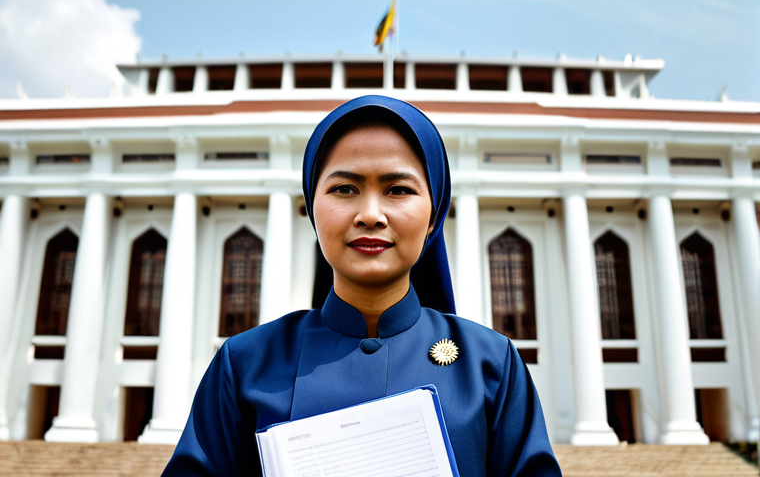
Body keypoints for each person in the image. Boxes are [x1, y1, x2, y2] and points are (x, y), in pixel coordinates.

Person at [163, 95, 562, 476]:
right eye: (344, 189)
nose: (370, 214)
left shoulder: (491, 364)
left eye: (398, 190)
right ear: (312, 208)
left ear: (434, 216)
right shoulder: (245, 363)